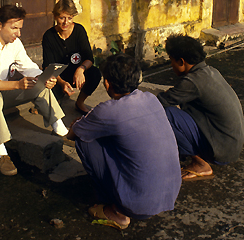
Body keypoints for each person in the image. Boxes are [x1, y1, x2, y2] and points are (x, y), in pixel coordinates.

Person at [67, 54, 181, 230]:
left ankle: (117, 211)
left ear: (107, 83)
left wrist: (78, 124)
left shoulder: (107, 111)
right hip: (170, 194)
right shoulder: (151, 98)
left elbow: (73, 134)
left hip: (139, 205)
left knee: (84, 140)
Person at [0, 5, 69, 176]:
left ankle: (61, 130)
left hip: (0, 94)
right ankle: (0, 153)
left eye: (20, 28)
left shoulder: (14, 44)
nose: (18, 33)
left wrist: (44, 78)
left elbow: (29, 67)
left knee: (38, 84)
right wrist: (18, 85)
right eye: (14, 28)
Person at [157, 34, 244, 181]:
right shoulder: (210, 71)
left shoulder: (192, 81)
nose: (171, 65)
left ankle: (200, 163)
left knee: (166, 114)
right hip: (230, 146)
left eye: (171, 61)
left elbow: (159, 102)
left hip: (222, 149)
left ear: (181, 61)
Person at [42, 0, 101, 114]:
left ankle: (79, 103)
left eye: (69, 18)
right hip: (58, 75)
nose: (66, 22)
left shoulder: (79, 30)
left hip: (76, 74)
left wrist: (80, 69)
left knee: (95, 73)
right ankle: (53, 99)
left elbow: (89, 58)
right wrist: (61, 82)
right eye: (62, 18)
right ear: (55, 16)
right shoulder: (49, 36)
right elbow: (48, 67)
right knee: (47, 83)